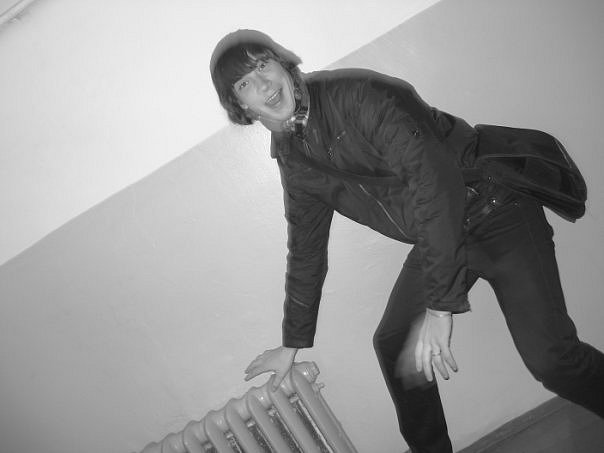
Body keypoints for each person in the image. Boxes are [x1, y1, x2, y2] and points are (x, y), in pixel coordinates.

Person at [209, 29, 604, 452]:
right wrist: (292, 342)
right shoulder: (294, 158)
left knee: (552, 358)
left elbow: (436, 184)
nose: (263, 84)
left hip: (495, 209)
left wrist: (440, 304)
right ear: (240, 106)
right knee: (396, 344)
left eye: (263, 65)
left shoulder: (361, 95)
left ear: (282, 64)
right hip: (442, 234)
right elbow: (306, 249)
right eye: (245, 83)